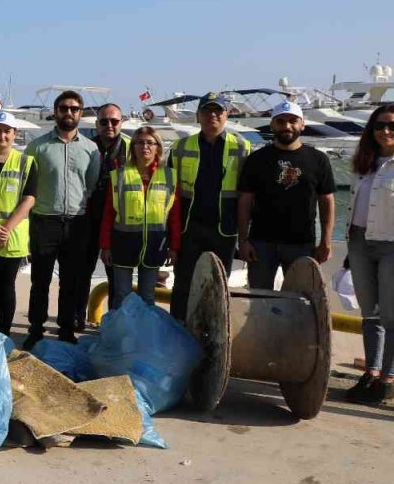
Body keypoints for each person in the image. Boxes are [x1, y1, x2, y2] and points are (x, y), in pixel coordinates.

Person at [23, 90, 100, 348]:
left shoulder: (91, 149)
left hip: (76, 222)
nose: (69, 113)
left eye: (74, 109)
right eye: (64, 108)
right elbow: (28, 186)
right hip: (45, 221)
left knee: (71, 281)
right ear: (55, 112)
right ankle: (35, 329)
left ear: (80, 113)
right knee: (40, 281)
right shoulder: (37, 147)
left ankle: (66, 329)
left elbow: (90, 185)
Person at [169, 92, 252, 320]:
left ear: (227, 115)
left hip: (224, 230)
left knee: (218, 286)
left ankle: (212, 335)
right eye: (207, 111)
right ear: (198, 116)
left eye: (218, 111)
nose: (212, 115)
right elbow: (168, 194)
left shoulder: (242, 147)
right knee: (184, 284)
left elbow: (249, 195)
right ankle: (179, 332)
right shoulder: (180, 147)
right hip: (189, 229)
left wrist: (246, 236)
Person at [237, 101, 335, 289]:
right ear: (272, 125)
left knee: (299, 301)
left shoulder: (318, 159)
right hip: (261, 244)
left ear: (302, 124)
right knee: (258, 300)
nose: (287, 126)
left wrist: (326, 241)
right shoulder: (256, 159)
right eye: (281, 121)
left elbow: (327, 201)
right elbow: (245, 201)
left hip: (302, 245)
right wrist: (243, 240)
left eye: (293, 120)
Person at [344, 104, 394, 405]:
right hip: (360, 242)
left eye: (392, 125)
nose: (386, 131)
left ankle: (388, 379)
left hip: (391, 244)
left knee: (391, 316)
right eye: (379, 125)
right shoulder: (364, 162)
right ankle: (372, 372)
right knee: (369, 314)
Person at [99, 126, 180, 309]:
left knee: (148, 297)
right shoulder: (119, 175)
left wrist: (174, 247)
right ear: (133, 147)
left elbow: (174, 216)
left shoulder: (169, 176)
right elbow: (108, 214)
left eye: (150, 143)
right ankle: (121, 336)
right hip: (123, 243)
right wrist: (105, 246)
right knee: (121, 296)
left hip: (154, 245)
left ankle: (144, 336)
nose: (145, 146)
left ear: (158, 147)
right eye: (140, 142)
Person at [0, 112, 36, 336]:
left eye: (7, 131)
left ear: (15, 134)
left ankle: (4, 332)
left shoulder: (26, 162)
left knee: (7, 286)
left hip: (11, 237)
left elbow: (29, 198)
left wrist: (5, 228)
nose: (2, 135)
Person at [79, 103, 130, 326]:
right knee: (81, 274)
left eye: (114, 121)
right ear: (97, 123)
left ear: (121, 122)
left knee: (117, 280)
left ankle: (114, 326)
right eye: (104, 121)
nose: (109, 125)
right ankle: (75, 320)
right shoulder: (86, 147)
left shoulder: (131, 148)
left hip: (117, 223)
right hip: (86, 220)